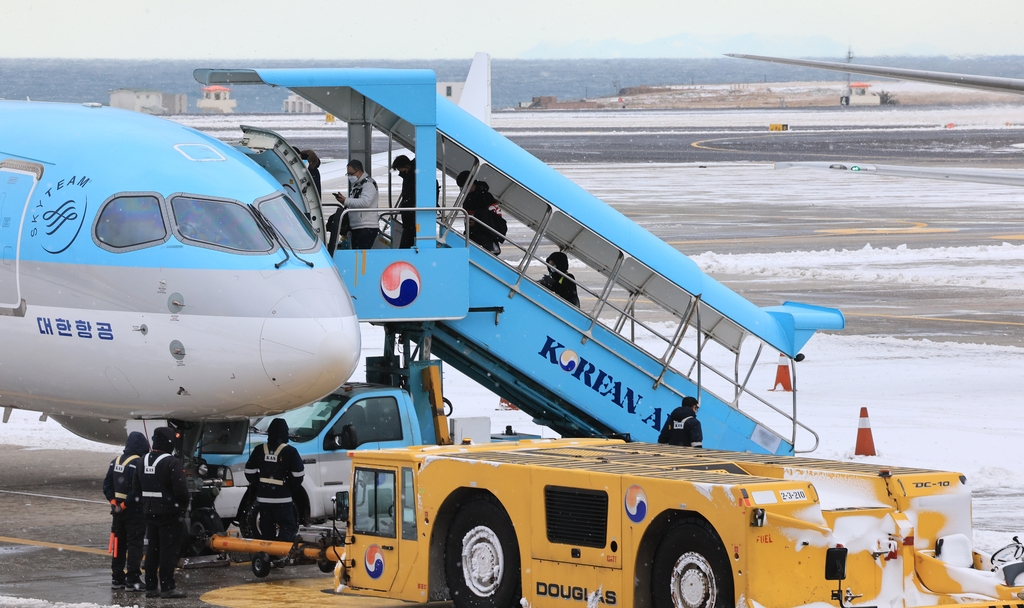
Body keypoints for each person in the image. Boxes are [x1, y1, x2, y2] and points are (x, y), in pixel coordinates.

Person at [133, 427, 189, 599]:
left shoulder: (142, 461)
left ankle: (150, 586)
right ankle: (167, 587)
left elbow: (135, 488)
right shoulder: (172, 463)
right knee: (168, 551)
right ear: (170, 442)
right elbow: (181, 491)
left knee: (152, 551)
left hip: (149, 513)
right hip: (169, 515)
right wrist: (181, 507)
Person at [103, 431, 149, 592]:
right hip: (134, 511)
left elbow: (107, 484)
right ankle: (133, 579)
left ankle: (117, 577)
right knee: (135, 544)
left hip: (117, 512)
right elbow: (137, 490)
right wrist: (125, 505)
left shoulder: (115, 461)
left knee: (118, 544)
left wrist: (114, 503)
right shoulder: (138, 464)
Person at [244, 418, 305, 542]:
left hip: (263, 500)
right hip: (283, 500)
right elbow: (298, 475)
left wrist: (260, 485)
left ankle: (268, 555)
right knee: (288, 525)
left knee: (267, 529)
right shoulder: (290, 452)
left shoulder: (260, 450)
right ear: (285, 433)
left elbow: (249, 471)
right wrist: (288, 488)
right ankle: (281, 553)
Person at [332, 159, 379, 249]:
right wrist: (344, 201)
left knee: (361, 254)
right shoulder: (357, 184)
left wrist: (346, 200)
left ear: (360, 172)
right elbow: (356, 202)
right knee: (357, 254)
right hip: (357, 226)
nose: (350, 176)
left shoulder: (369, 184)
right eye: (348, 174)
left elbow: (365, 202)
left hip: (366, 226)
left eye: (351, 174)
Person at [456, 171, 505, 254]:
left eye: (465, 186)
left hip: (488, 228)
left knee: (481, 233)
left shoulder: (485, 196)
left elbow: (492, 216)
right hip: (474, 228)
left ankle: (492, 245)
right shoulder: (468, 198)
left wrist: (476, 219)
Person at [391, 155, 417, 249]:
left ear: (406, 166)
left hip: (411, 216)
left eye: (399, 169)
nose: (400, 172)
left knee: (406, 244)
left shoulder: (412, 177)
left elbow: (410, 194)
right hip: (410, 215)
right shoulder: (410, 175)